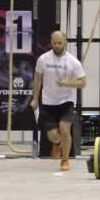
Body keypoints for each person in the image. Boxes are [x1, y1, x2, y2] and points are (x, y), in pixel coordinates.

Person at [31, 31, 86, 171]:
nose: (57, 45)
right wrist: (35, 99)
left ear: (65, 42)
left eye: (59, 43)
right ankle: (57, 143)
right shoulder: (43, 59)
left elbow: (83, 83)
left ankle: (65, 160)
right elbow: (37, 79)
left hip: (66, 101)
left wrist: (67, 83)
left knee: (64, 129)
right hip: (48, 102)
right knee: (53, 136)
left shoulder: (73, 62)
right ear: (51, 42)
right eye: (54, 43)